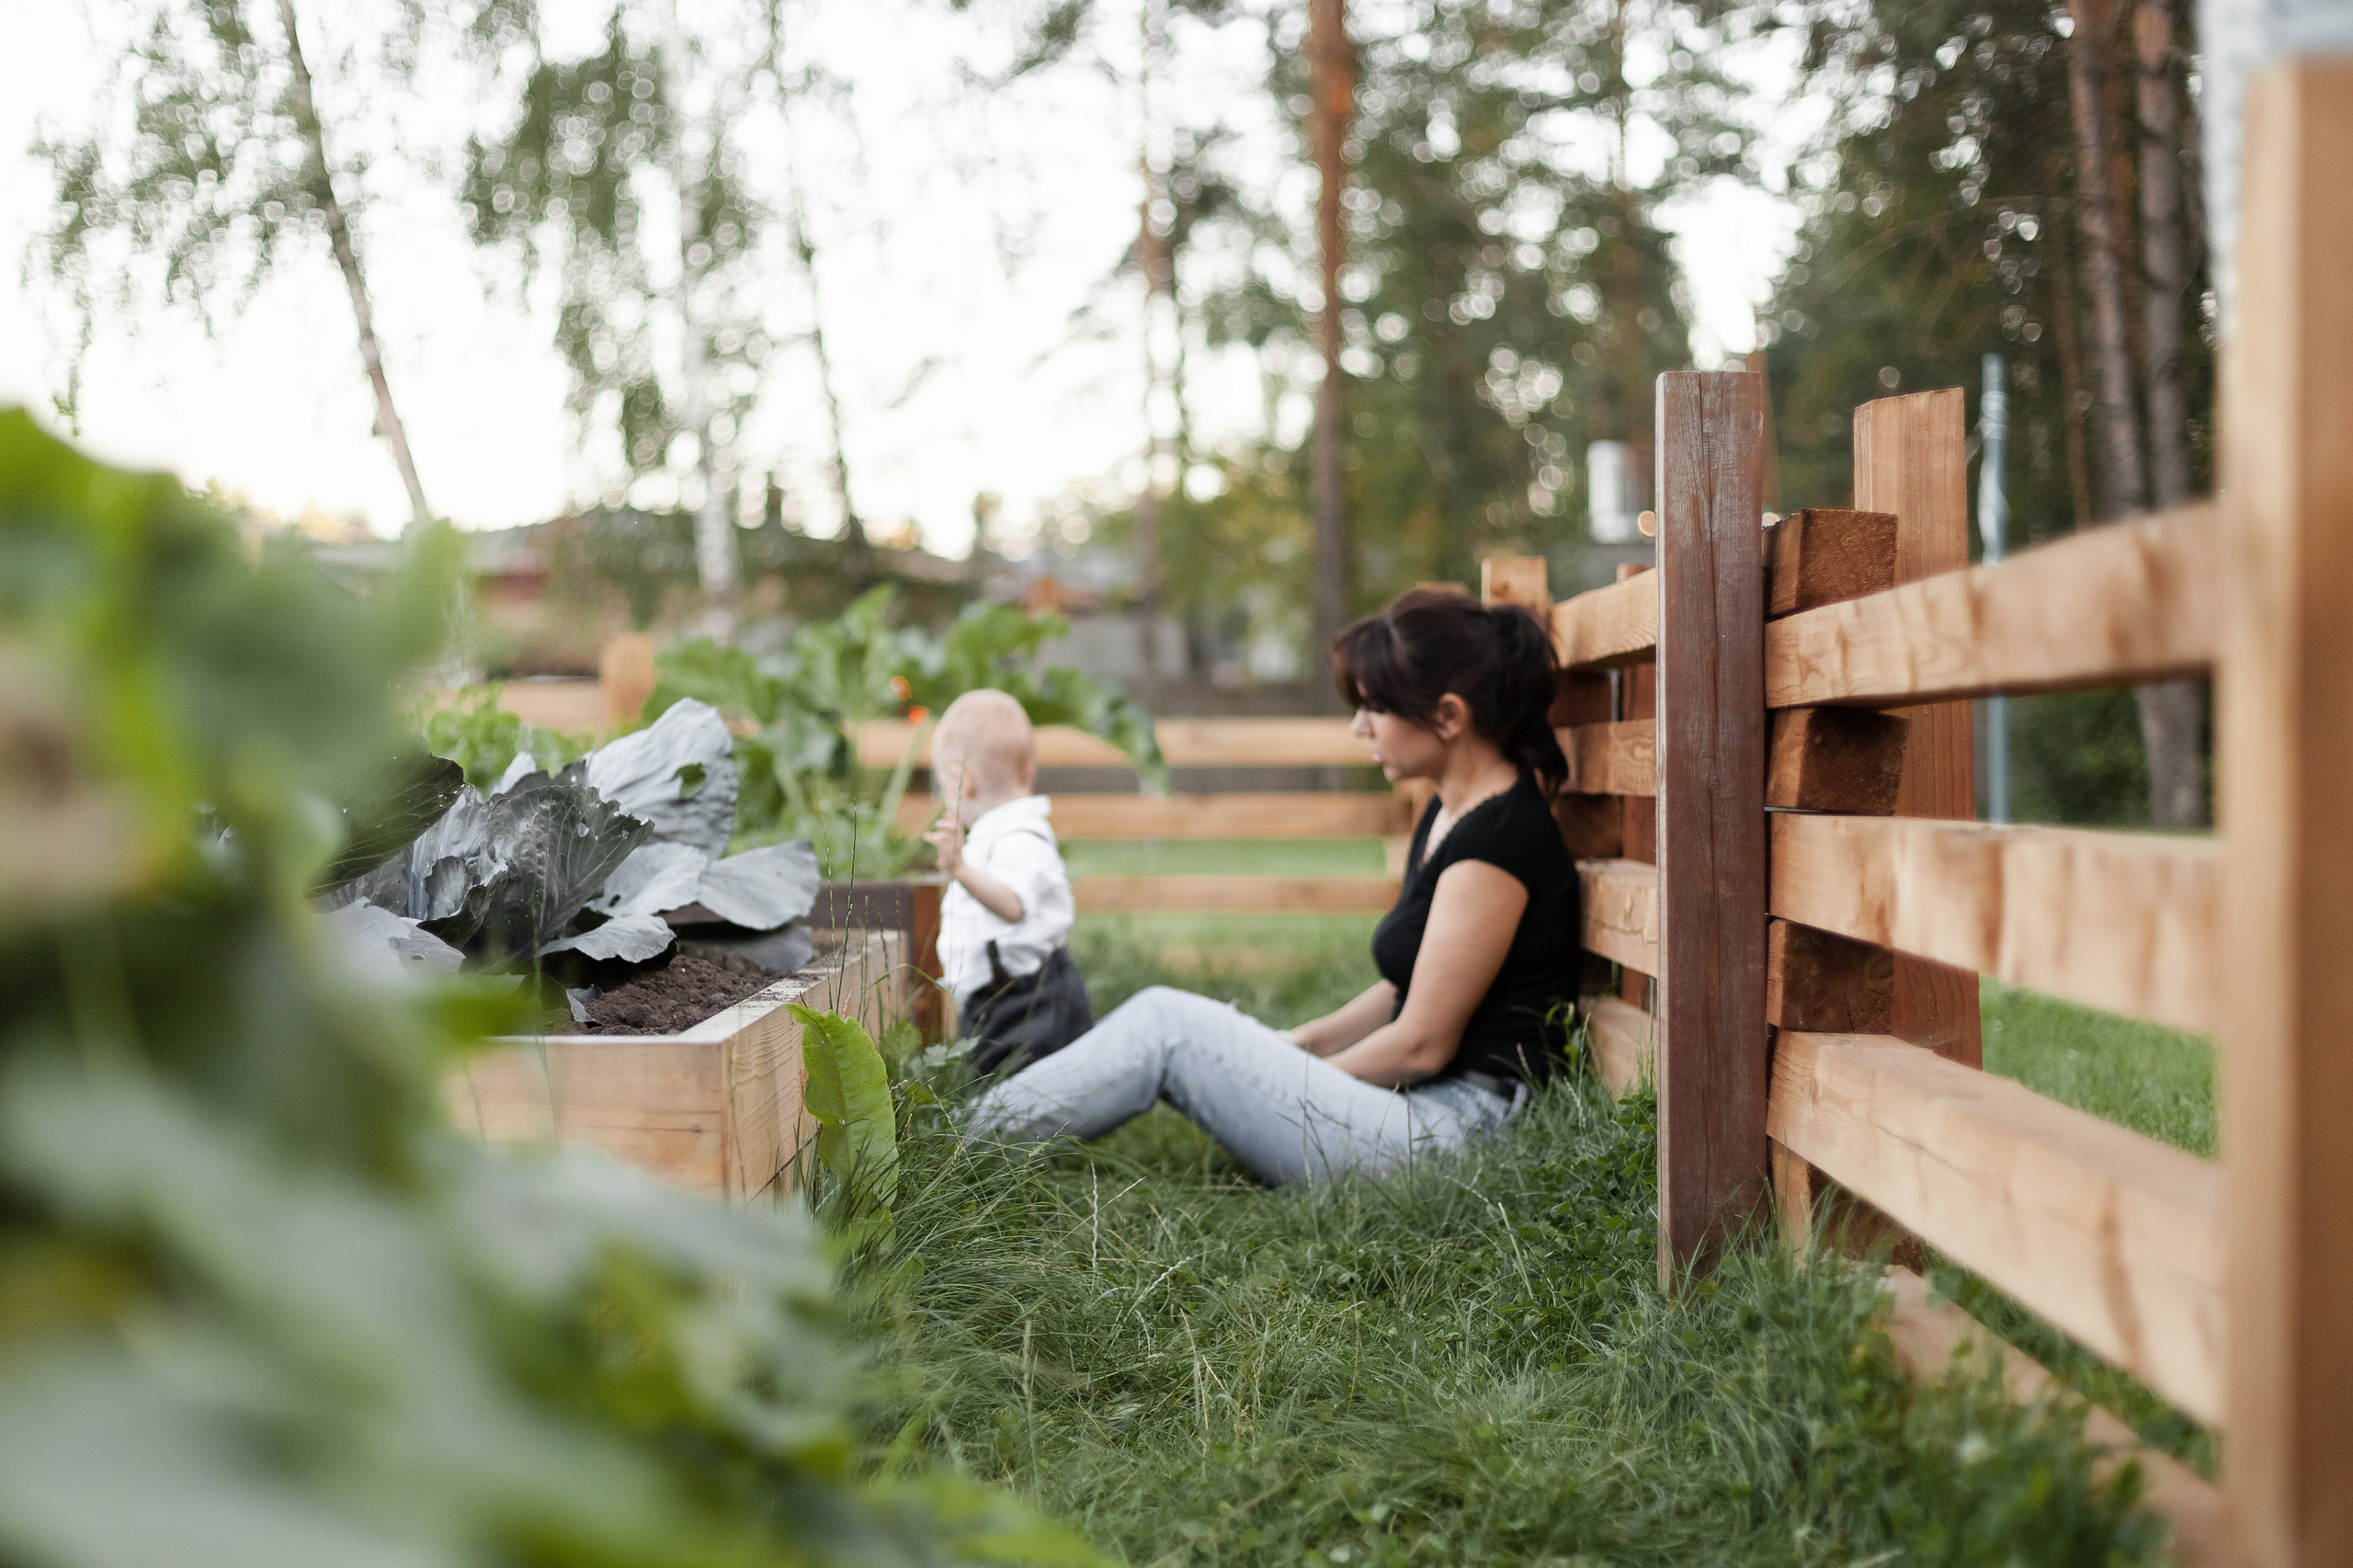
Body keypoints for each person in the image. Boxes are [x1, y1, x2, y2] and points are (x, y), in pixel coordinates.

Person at [966, 588, 1582, 1186]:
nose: (1357, 728)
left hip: (1451, 1131)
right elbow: (1408, 988)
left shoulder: (1499, 844)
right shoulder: (1454, 813)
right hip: (1426, 1110)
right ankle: (968, 1138)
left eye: (1375, 708)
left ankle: (957, 1147)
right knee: (1175, 1021)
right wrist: (1298, 1046)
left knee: (1167, 1025)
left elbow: (1421, 1045)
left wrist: (1281, 1084)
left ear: (1448, 716)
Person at [926, 689, 1095, 1075]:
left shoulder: (1019, 837)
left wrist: (961, 870)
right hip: (998, 1001)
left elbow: (1013, 905)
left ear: (964, 783)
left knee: (1025, 1095)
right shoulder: (998, 832)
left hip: (1024, 1005)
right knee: (997, 1094)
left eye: (942, 787)